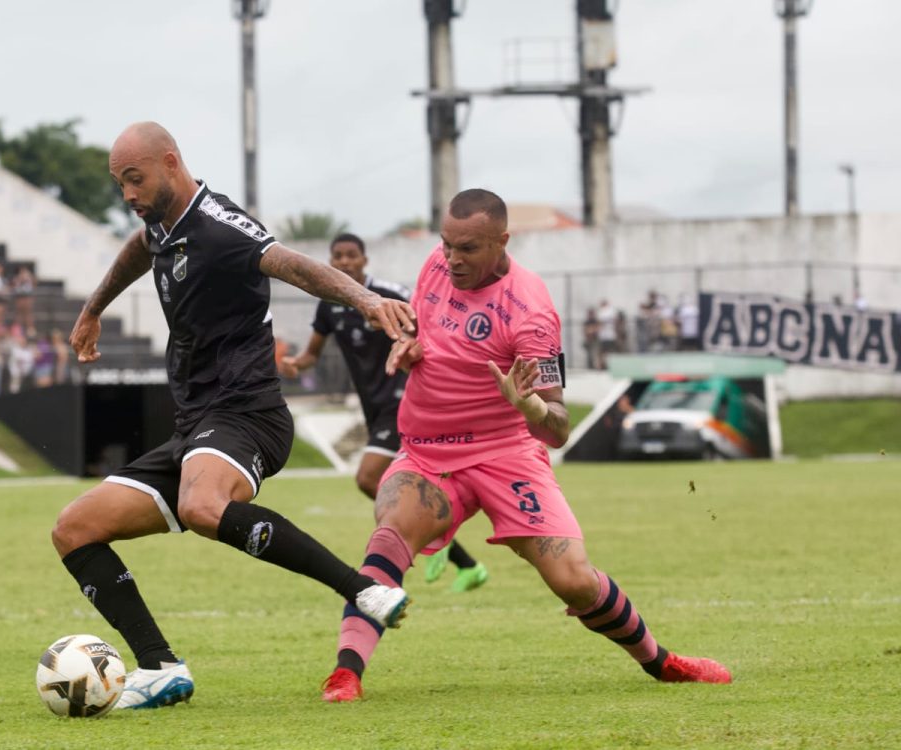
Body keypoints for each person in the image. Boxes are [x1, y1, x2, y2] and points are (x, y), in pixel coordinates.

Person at [56, 121, 416, 710]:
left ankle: (362, 590)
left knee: (203, 507)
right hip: (195, 428)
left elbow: (295, 264)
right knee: (74, 529)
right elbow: (138, 249)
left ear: (170, 162)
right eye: (120, 183)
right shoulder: (159, 224)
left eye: (134, 179)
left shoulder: (221, 227)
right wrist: (94, 308)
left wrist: (367, 299)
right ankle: (161, 667)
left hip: (249, 414)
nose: (128, 195)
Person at [320, 189, 731, 703]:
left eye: (468, 248)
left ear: (502, 241)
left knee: (575, 581)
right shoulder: (436, 266)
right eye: (446, 244)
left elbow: (559, 427)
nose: (452, 258)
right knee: (389, 535)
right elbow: (434, 333)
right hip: (428, 451)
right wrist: (412, 344)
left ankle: (661, 662)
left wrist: (531, 406)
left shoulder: (531, 311)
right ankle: (346, 674)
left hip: (505, 454)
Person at [280, 232, 488, 592]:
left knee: (368, 478)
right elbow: (314, 352)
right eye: (337, 256)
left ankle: (434, 536)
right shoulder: (329, 304)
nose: (344, 262)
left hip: (403, 398)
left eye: (350, 256)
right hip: (373, 405)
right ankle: (463, 561)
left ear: (364, 260)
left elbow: (430, 325)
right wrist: (297, 363)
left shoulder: (388, 294)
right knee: (406, 482)